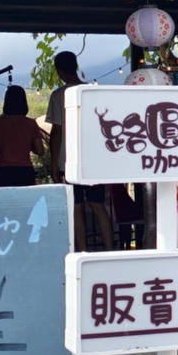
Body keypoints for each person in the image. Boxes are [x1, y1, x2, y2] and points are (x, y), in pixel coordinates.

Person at [46, 50, 113, 250]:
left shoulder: (58, 95)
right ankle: (110, 249)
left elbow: (57, 131)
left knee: (75, 207)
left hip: (68, 159)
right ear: (76, 66)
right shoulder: (91, 91)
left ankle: (82, 250)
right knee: (98, 205)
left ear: (59, 71)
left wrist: (53, 163)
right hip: (93, 159)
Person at [0, 84, 48, 187]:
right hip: (25, 172)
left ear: (6, 102)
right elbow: (40, 151)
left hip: (2, 172)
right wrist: (29, 146)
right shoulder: (31, 124)